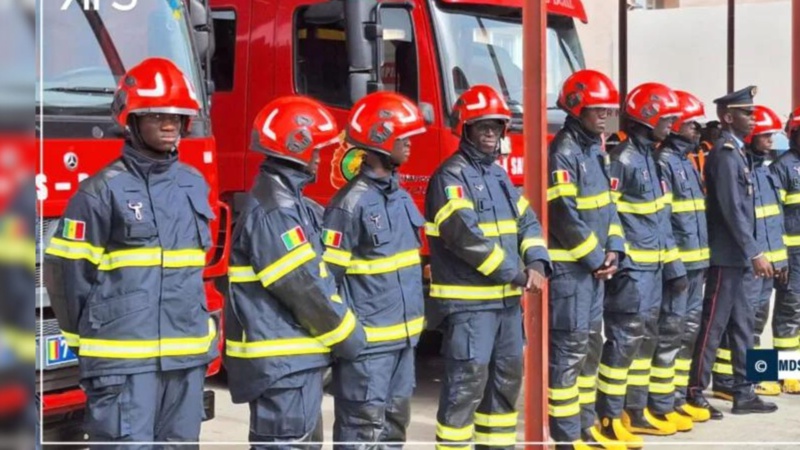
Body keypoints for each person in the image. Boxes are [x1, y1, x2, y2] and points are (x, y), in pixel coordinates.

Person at [43, 58, 218, 447]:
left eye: (177, 116)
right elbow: (66, 277)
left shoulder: (194, 184)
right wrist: (88, 341)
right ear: (132, 119)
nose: (170, 124)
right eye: (157, 116)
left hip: (186, 361)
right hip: (123, 366)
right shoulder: (100, 192)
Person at [223, 96, 366, 448]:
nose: (320, 157)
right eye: (316, 149)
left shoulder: (290, 202)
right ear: (295, 146)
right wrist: (349, 336)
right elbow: (304, 287)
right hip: (283, 364)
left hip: (290, 362)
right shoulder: (276, 212)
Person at [426, 85, 550, 450]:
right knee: (465, 389)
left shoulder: (497, 176)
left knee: (505, 386)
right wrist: (517, 272)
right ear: (465, 129)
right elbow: (465, 236)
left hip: (506, 306)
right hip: (470, 309)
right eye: (482, 127)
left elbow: (527, 220)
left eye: (495, 127)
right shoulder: (449, 177)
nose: (490, 134)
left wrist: (538, 261)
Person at [321, 92, 427, 448]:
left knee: (394, 430)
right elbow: (326, 284)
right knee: (361, 433)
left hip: (403, 343)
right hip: (368, 350)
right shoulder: (349, 205)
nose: (410, 145)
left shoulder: (400, 197)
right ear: (381, 139)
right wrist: (348, 337)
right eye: (403, 138)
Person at [598, 82, 686, 442]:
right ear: (648, 116)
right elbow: (607, 213)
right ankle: (609, 415)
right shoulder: (624, 159)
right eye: (667, 118)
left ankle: (634, 411)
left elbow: (660, 217)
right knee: (623, 342)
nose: (672, 125)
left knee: (643, 340)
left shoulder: (649, 157)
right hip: (632, 271)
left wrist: (673, 265)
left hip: (653, 270)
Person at [546, 69, 627, 450]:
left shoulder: (595, 147)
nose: (605, 116)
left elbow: (609, 206)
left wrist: (613, 249)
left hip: (593, 270)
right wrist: (596, 258)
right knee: (569, 352)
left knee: (589, 348)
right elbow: (563, 213)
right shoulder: (563, 150)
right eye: (598, 110)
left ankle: (584, 427)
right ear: (577, 107)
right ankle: (565, 437)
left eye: (609, 110)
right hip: (571, 271)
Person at [687, 86, 779, 418]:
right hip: (729, 256)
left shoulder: (739, 153)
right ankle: (695, 391)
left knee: (744, 325)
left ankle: (745, 391)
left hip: (744, 257)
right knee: (713, 325)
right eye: (747, 113)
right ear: (728, 117)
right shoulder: (725, 154)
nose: (753, 119)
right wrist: (755, 253)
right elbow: (732, 210)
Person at [711, 105, 788, 400]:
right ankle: (727, 380)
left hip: (767, 261)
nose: (770, 141)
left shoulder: (766, 172)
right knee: (744, 323)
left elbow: (772, 221)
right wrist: (757, 255)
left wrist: (778, 258)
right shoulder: (745, 171)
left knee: (756, 320)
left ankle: (751, 377)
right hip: (750, 260)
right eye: (765, 135)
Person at [653, 90, 712, 424]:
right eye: (691, 125)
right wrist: (674, 263)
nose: (697, 131)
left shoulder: (684, 162)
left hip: (696, 264)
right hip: (679, 267)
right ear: (674, 125)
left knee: (685, 333)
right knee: (670, 333)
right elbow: (664, 221)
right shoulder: (664, 162)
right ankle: (661, 403)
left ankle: (674, 397)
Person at [769, 106, 800, 394]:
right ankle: (786, 371)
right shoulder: (783, 167)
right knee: (789, 311)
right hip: (793, 255)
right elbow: (774, 216)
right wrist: (779, 256)